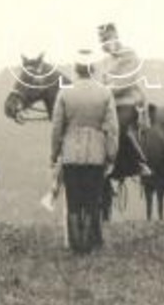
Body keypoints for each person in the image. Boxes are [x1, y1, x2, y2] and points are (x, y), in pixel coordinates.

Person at [53, 48, 119, 254]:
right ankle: (88, 245)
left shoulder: (64, 93)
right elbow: (112, 129)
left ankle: (76, 246)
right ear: (93, 69)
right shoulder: (105, 93)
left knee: (73, 200)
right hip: (96, 155)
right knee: (91, 201)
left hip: (71, 155)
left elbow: (57, 128)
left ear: (76, 69)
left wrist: (54, 153)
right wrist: (111, 155)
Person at [98, 22, 151, 178]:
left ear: (115, 36)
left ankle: (138, 162)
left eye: (106, 39)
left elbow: (127, 80)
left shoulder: (129, 55)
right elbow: (102, 81)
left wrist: (106, 91)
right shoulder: (106, 61)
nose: (104, 44)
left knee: (118, 126)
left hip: (128, 101)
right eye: (102, 41)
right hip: (109, 102)